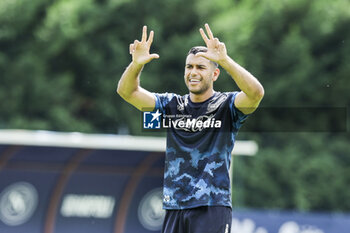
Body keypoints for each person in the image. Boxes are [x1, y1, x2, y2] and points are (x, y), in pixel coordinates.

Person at [117, 24, 264, 233]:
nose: (193, 72)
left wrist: (225, 60)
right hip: (174, 205)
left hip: (212, 206)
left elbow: (256, 94)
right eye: (189, 67)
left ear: (215, 74)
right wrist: (136, 65)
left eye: (201, 67)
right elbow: (127, 92)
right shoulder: (171, 105)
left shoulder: (227, 106)